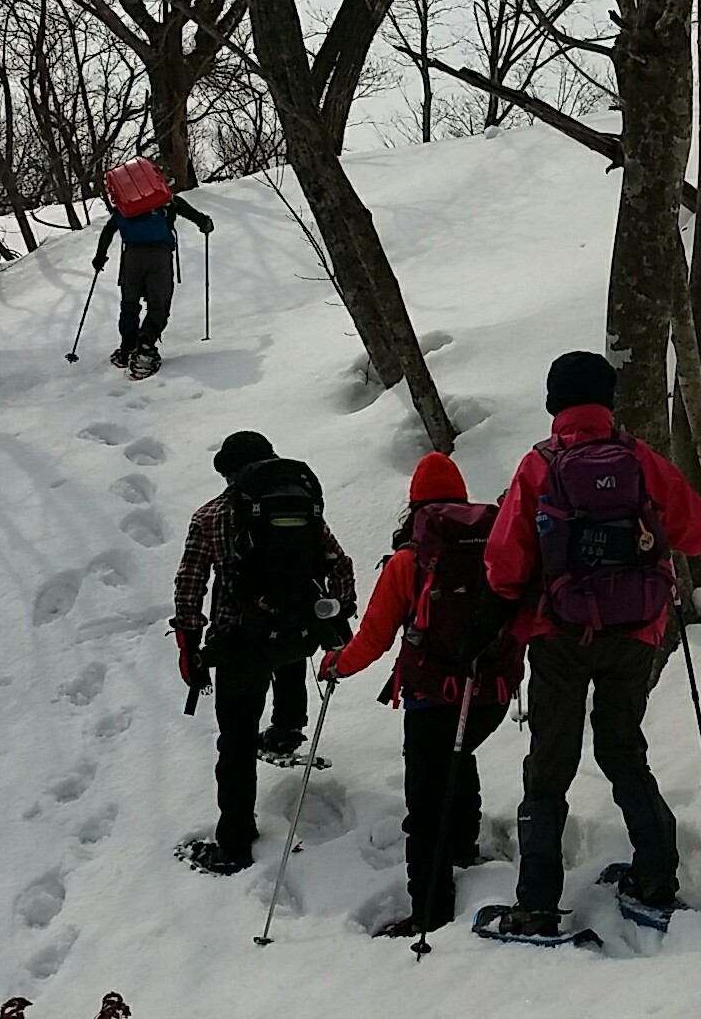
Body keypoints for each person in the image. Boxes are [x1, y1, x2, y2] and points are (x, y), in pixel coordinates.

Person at [481, 352, 701, 937]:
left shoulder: (540, 466)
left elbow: (505, 566)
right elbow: (697, 532)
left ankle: (536, 903)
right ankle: (657, 875)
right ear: (608, 401)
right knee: (622, 748)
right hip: (636, 634)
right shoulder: (640, 460)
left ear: (554, 402)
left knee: (550, 764)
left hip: (558, 635)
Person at [318, 452, 524, 936]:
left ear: (414, 506)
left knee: (425, 802)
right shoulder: (494, 546)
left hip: (432, 696)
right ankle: (463, 847)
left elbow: (373, 639)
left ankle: (430, 911)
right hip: (491, 694)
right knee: (461, 753)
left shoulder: (411, 560)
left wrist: (336, 665)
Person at [172, 430, 356, 876]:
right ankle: (287, 732)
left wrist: (189, 646)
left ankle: (234, 843)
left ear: (227, 472)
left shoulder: (211, 516)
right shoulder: (300, 504)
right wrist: (336, 613)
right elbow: (339, 563)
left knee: (235, 743)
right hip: (297, 633)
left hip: (239, 643)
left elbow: (190, 584)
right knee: (288, 658)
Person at [93, 181, 214, 375]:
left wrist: (100, 257)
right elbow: (196, 216)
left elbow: (109, 230)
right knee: (159, 304)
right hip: (159, 257)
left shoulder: (126, 205)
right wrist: (205, 224)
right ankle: (146, 345)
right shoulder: (165, 201)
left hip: (131, 259)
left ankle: (127, 348)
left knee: (129, 305)